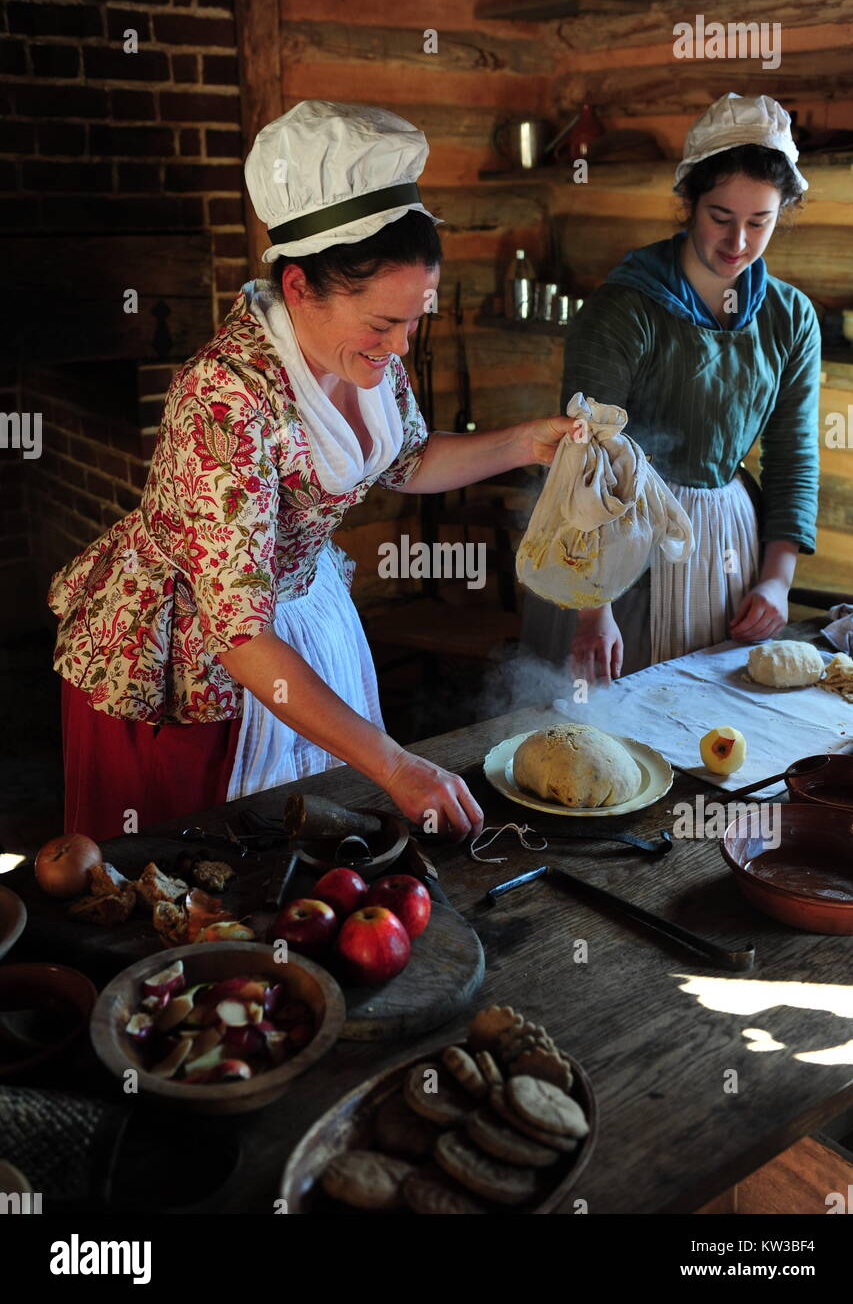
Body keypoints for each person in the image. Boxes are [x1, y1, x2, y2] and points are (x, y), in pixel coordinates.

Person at [49, 100, 577, 845]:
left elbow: (408, 460)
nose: (399, 347)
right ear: (298, 287)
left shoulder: (367, 358)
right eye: (383, 323)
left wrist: (532, 442)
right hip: (191, 665)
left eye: (414, 319)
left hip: (298, 612)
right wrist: (393, 765)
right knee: (190, 881)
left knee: (307, 850)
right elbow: (236, 633)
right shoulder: (224, 395)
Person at [523, 92, 820, 682]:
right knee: (606, 732)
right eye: (720, 217)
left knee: (702, 723)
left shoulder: (789, 318)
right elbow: (588, 456)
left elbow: (793, 456)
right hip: (613, 542)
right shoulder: (623, 309)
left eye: (759, 222)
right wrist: (592, 611)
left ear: (780, 213)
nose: (738, 242)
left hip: (725, 545)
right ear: (687, 203)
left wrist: (775, 580)